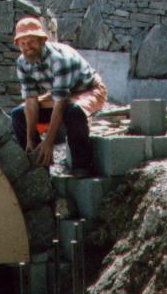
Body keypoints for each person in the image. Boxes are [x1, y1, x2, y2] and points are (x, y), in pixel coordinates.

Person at [11, 16, 106, 177]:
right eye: (23, 44)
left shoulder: (59, 59)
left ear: (42, 40)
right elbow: (31, 101)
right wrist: (29, 139)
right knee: (18, 114)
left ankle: (81, 166)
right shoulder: (22, 63)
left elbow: (61, 103)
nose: (28, 47)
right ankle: (39, 166)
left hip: (89, 90)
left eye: (32, 42)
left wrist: (49, 142)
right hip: (60, 93)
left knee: (74, 111)